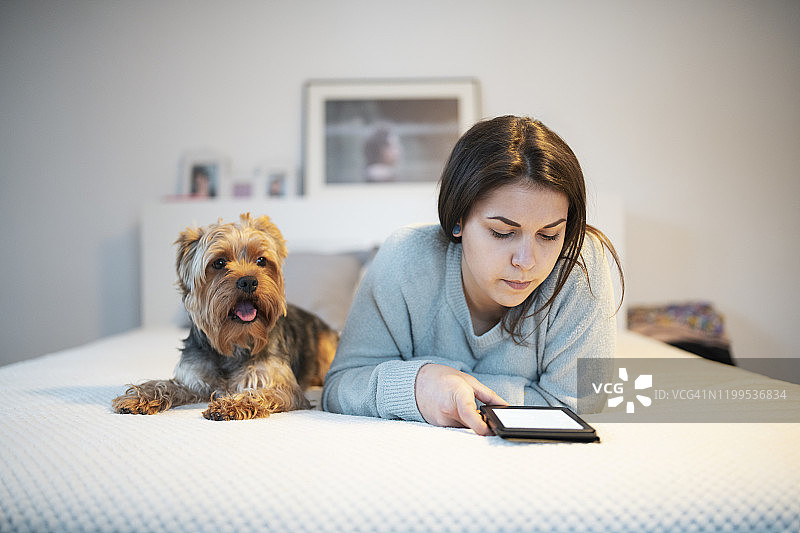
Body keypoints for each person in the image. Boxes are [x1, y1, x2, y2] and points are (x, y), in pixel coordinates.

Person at [322, 115, 623, 435]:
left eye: (549, 236)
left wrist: (445, 388)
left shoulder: (580, 266)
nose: (526, 261)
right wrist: (422, 384)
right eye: (502, 232)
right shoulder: (405, 259)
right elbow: (341, 386)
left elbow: (580, 407)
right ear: (458, 220)